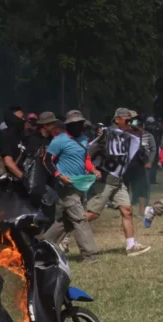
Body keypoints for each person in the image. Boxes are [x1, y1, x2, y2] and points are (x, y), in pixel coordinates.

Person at [86, 108, 151, 256]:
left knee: (127, 211)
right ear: (117, 119)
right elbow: (91, 151)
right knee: (92, 214)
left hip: (119, 181)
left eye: (132, 120)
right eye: (127, 120)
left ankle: (131, 245)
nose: (130, 123)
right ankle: (67, 233)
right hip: (106, 181)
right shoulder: (107, 134)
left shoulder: (127, 135)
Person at [43, 110, 101, 264]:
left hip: (80, 186)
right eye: (75, 124)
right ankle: (89, 255)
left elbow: (86, 158)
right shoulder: (59, 141)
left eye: (81, 123)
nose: (79, 126)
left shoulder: (83, 139)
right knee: (80, 219)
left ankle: (42, 246)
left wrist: (93, 169)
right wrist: (59, 175)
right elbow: (47, 161)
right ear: (68, 125)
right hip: (66, 187)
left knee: (66, 222)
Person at [125, 112, 157, 216]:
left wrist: (149, 162)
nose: (134, 122)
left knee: (143, 187)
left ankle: (141, 211)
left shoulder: (147, 135)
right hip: (128, 164)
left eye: (136, 119)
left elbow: (153, 149)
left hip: (142, 164)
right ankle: (128, 210)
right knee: (126, 187)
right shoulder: (125, 134)